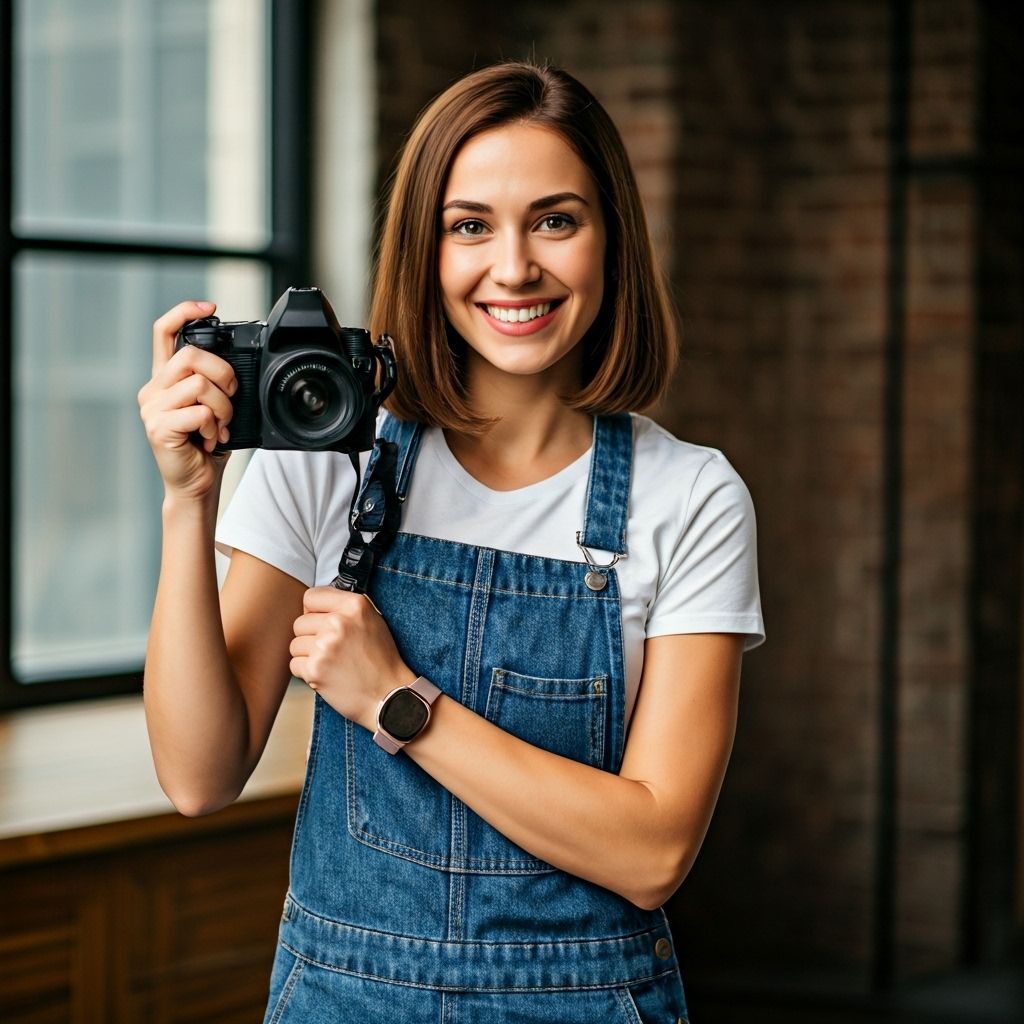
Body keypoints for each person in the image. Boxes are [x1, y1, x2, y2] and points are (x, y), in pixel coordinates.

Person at [138, 61, 764, 1023]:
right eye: (469, 225)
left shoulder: (691, 498)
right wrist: (188, 501)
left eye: (555, 220)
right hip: (342, 998)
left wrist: (400, 701)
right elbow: (199, 775)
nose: (513, 267)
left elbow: (653, 852)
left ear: (613, 243)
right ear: (425, 249)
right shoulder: (326, 459)